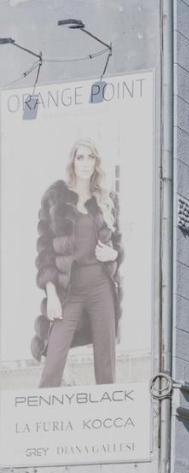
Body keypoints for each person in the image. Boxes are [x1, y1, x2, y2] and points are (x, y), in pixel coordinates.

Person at [34, 139, 123, 388]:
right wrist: (51, 293)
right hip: (68, 288)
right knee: (54, 361)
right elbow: (44, 252)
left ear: (97, 162)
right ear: (72, 161)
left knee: (106, 363)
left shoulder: (106, 199)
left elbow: (118, 244)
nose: (85, 163)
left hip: (100, 286)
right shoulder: (55, 197)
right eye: (80, 157)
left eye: (90, 157)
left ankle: (108, 419)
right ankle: (40, 417)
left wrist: (113, 255)